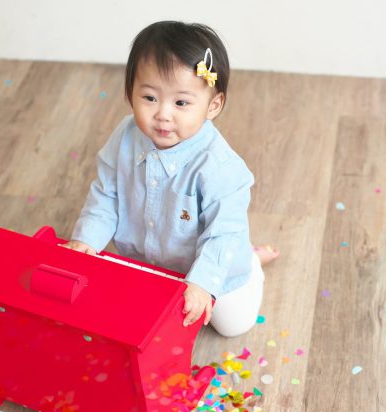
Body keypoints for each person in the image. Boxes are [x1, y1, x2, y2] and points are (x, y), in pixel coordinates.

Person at [62, 21, 278, 337]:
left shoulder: (218, 167)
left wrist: (203, 283)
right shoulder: (125, 137)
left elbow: (224, 231)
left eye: (181, 103)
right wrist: (87, 239)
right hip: (146, 264)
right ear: (130, 93)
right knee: (123, 317)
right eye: (149, 98)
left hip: (214, 264)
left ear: (212, 105)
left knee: (232, 325)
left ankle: (252, 263)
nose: (163, 114)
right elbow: (107, 193)